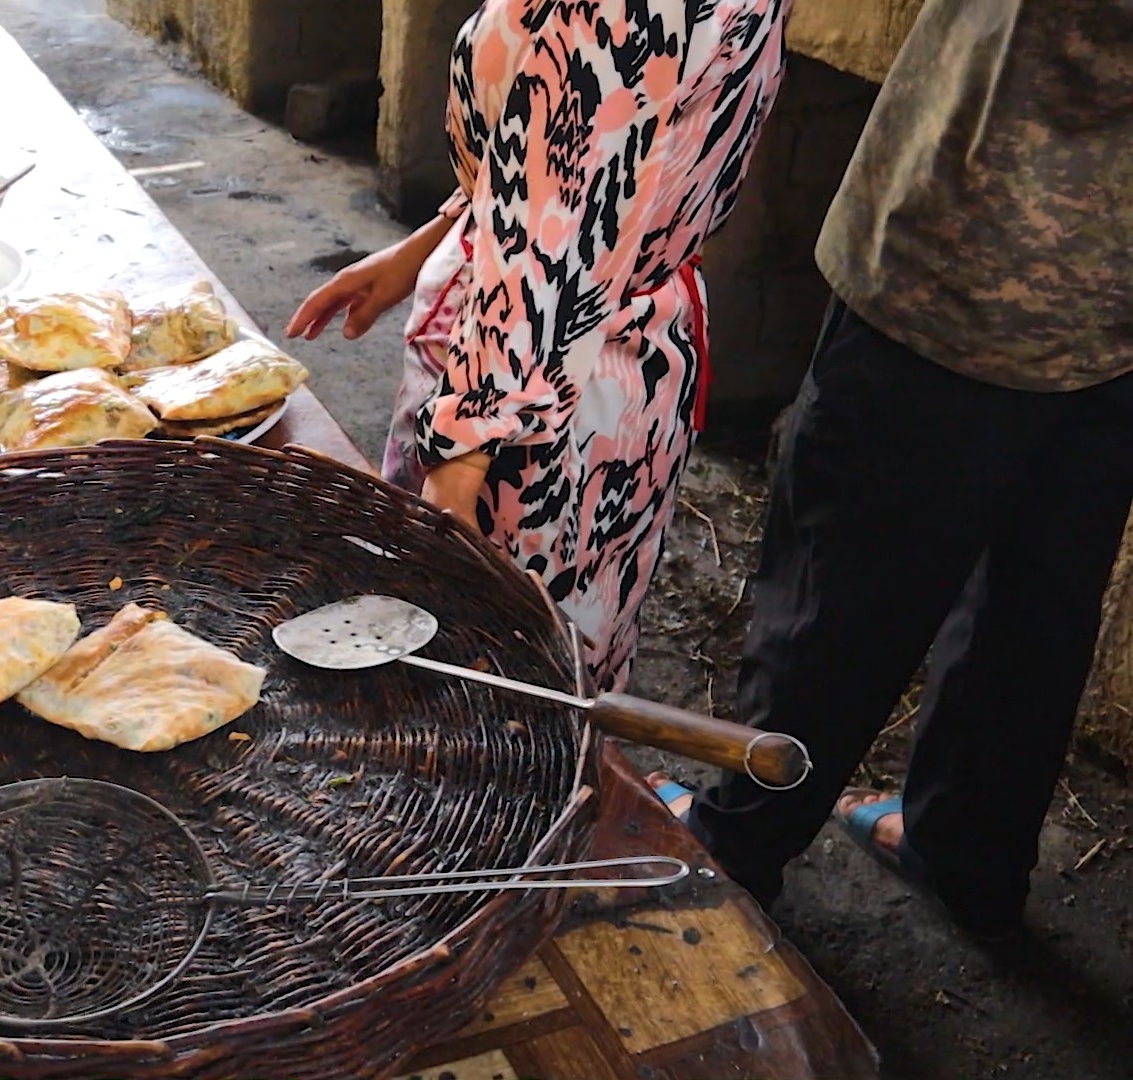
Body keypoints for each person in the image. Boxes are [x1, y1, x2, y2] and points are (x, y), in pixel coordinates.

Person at [650, 0, 1133, 944]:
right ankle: (966, 851)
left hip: (969, 251)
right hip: (1114, 302)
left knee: (840, 583)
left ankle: (737, 847)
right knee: (1039, 596)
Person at [287, 0, 790, 693]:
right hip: (593, 361)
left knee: (487, 678)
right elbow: (599, 150)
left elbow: (558, 229)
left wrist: (460, 459)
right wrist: (429, 242)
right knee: (553, 666)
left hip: (537, 395)